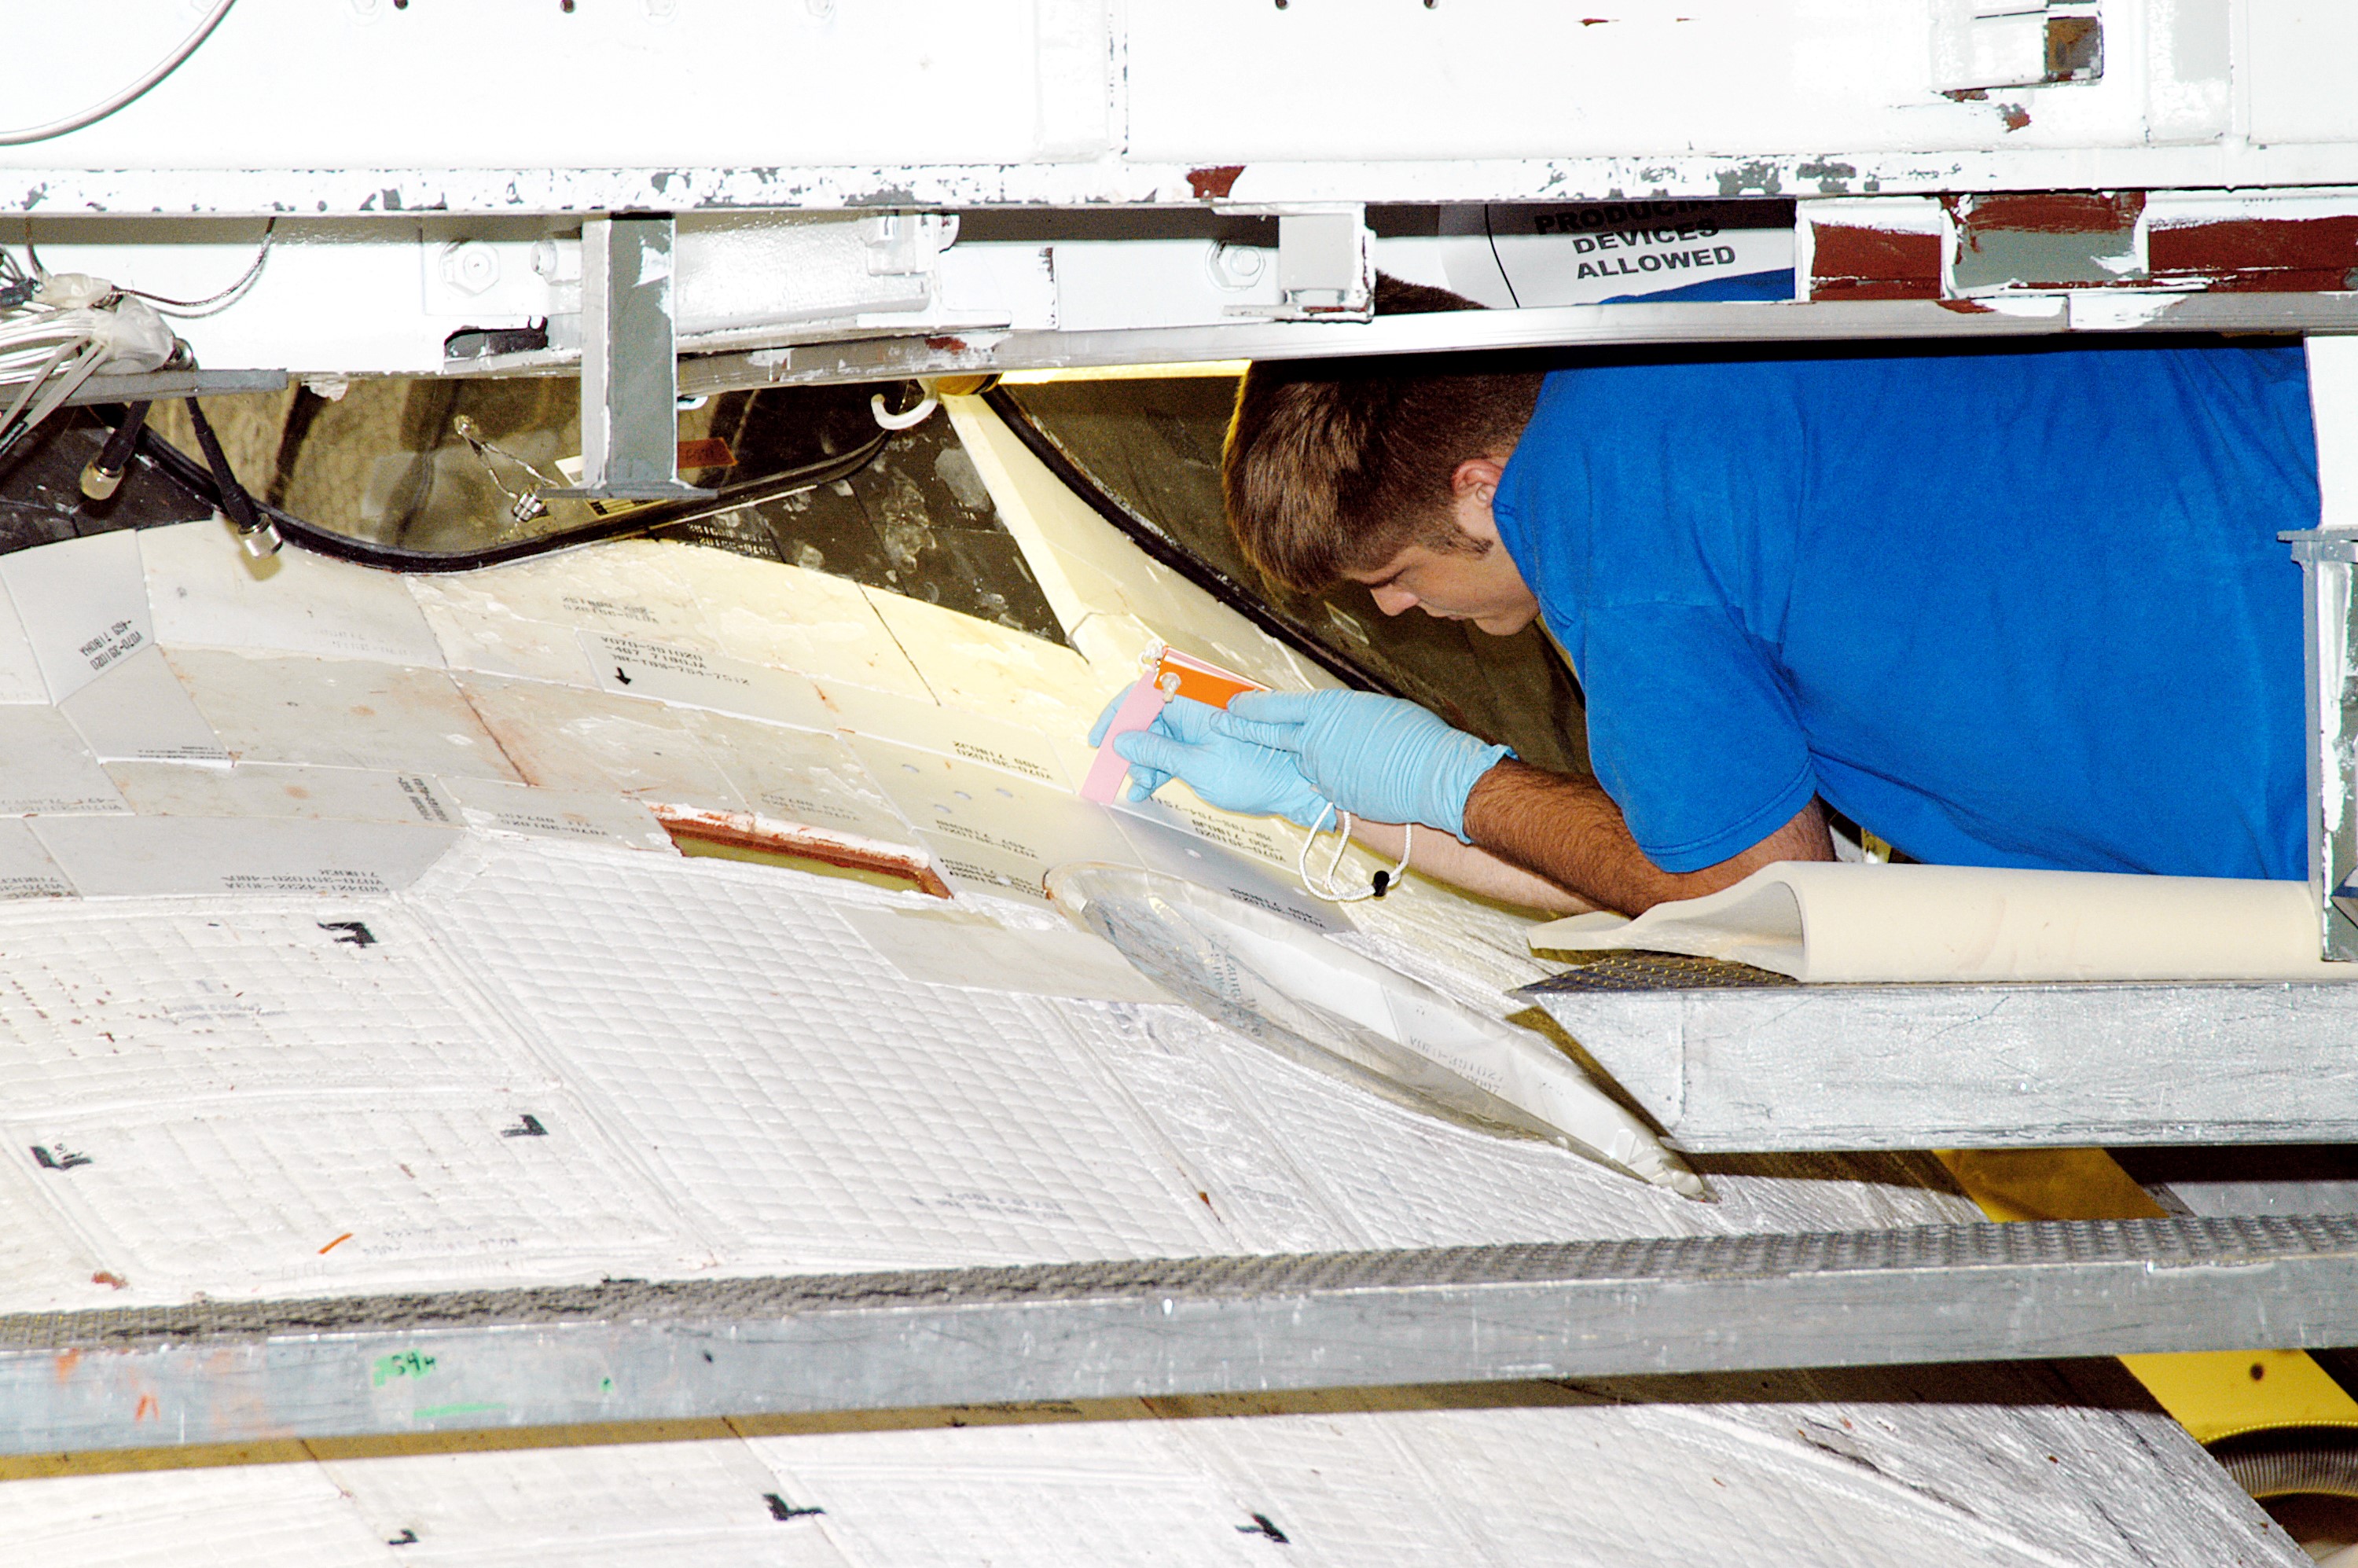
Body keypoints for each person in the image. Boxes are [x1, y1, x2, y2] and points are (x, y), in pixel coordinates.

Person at [1100, 300, 2322, 917]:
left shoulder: (1601, 510)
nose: (1411, 613)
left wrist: (1444, 783)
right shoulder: (1676, 337)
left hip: (2318, 742)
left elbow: (1752, 889)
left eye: (1395, 577)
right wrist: (1353, 805)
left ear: (1482, 492)